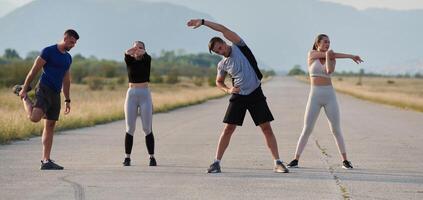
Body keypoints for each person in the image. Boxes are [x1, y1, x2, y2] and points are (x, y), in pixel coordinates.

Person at [187, 19, 289, 173]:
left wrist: (202, 22)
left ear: (224, 42)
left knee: (266, 128)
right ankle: (216, 163)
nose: (221, 52)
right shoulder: (222, 64)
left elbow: (222, 28)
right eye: (218, 52)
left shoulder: (239, 46)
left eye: (220, 47)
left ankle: (278, 162)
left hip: (255, 93)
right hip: (239, 96)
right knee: (228, 129)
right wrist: (228, 90)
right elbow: (218, 82)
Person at [287, 34, 363, 169]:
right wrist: (350, 56)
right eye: (325, 42)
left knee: (335, 129)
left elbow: (328, 71)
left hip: (329, 96)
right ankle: (295, 159)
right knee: (307, 128)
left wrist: (330, 56)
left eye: (329, 42)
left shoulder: (331, 57)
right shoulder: (312, 54)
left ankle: (345, 160)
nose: (328, 44)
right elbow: (328, 55)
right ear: (318, 44)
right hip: (314, 95)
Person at [12, 29, 80, 170]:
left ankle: (46, 160)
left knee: (50, 126)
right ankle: (23, 95)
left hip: (56, 93)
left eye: (75, 43)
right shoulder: (48, 51)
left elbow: (66, 80)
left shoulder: (68, 58)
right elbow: (34, 70)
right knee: (35, 118)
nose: (73, 45)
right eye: (72, 42)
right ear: (65, 38)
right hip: (44, 88)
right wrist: (25, 88)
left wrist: (67, 100)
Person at [122, 41, 157, 167]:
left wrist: (140, 49)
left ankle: (152, 157)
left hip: (145, 94)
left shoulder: (147, 60)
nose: (137, 50)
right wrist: (134, 49)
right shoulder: (129, 60)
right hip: (131, 94)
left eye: (140, 48)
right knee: (130, 128)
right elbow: (127, 52)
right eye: (135, 48)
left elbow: (145, 54)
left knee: (147, 128)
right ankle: (127, 158)